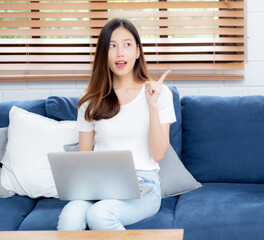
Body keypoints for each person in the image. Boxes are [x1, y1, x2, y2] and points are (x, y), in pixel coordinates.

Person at [57, 18, 176, 231]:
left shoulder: (159, 93)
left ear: (138, 51)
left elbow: (158, 154)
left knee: (100, 214)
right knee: (70, 217)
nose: (120, 53)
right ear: (103, 54)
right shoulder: (90, 99)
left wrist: (152, 106)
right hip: (99, 184)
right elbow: (84, 158)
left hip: (144, 184)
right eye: (112, 45)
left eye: (127, 44)